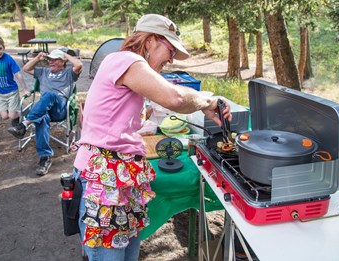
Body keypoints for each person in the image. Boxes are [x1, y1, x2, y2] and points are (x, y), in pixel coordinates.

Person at [71, 14, 232, 261]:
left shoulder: (130, 66)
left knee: (128, 255)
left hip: (121, 176)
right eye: (170, 50)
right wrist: (208, 102)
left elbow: (163, 95)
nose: (170, 59)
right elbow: (175, 98)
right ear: (150, 41)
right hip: (104, 180)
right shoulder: (124, 59)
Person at [7, 49, 83, 176]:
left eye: (54, 59)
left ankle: (24, 124)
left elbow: (79, 65)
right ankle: (45, 158)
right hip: (44, 109)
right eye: (50, 59)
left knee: (49, 95)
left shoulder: (69, 73)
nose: (51, 62)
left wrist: (66, 55)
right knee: (42, 118)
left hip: (60, 108)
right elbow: (26, 68)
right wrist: (37, 58)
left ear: (63, 62)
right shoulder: (44, 72)